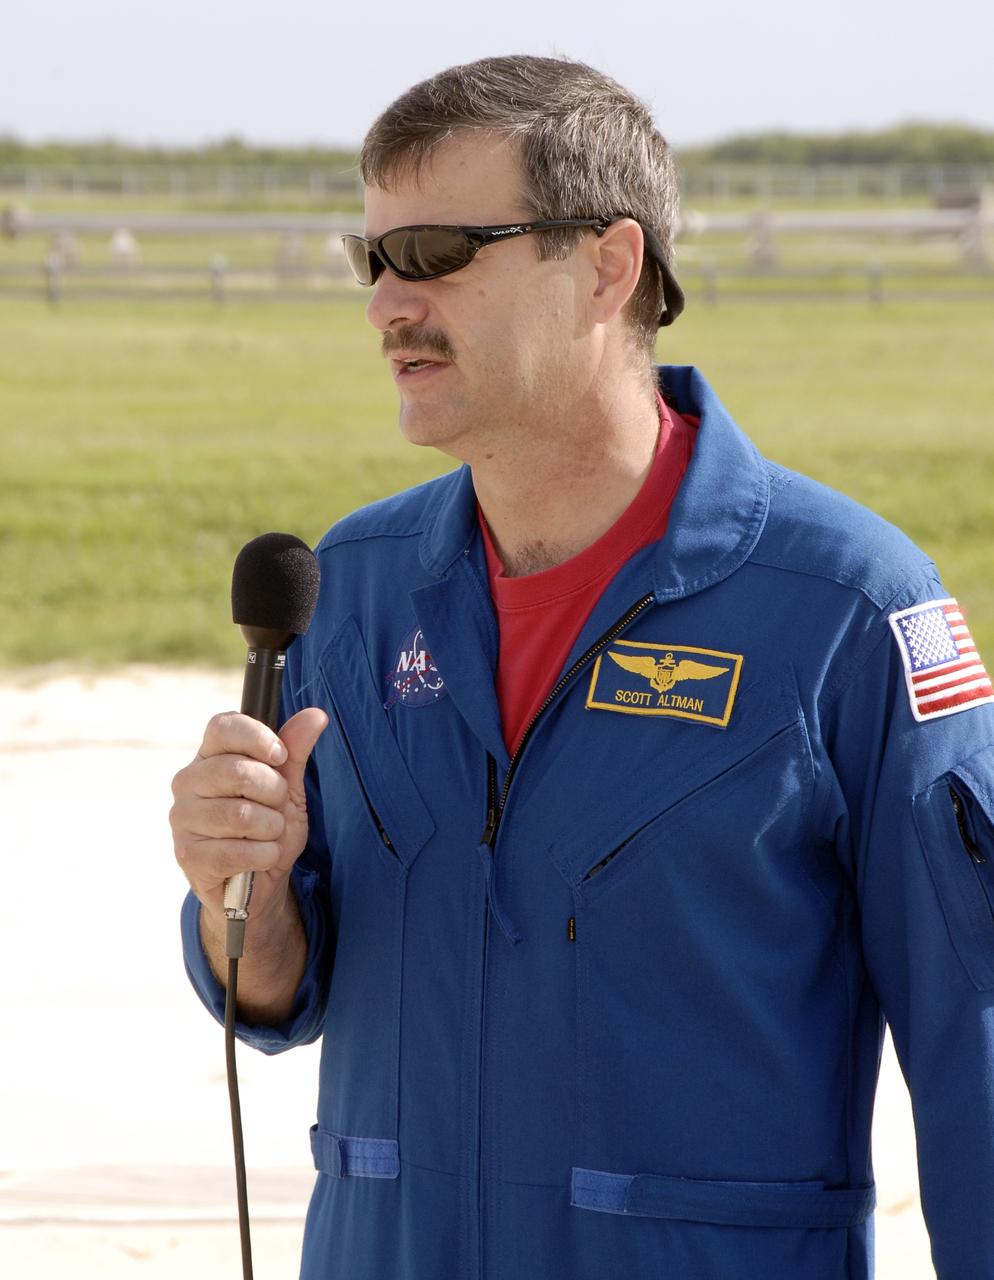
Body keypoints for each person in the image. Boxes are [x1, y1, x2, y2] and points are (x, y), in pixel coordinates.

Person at [171, 55, 994, 1280]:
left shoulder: (848, 607)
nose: (386, 304)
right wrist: (242, 890)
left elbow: (973, 1039)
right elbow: (277, 989)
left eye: (439, 251)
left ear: (608, 265)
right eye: (373, 258)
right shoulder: (348, 591)